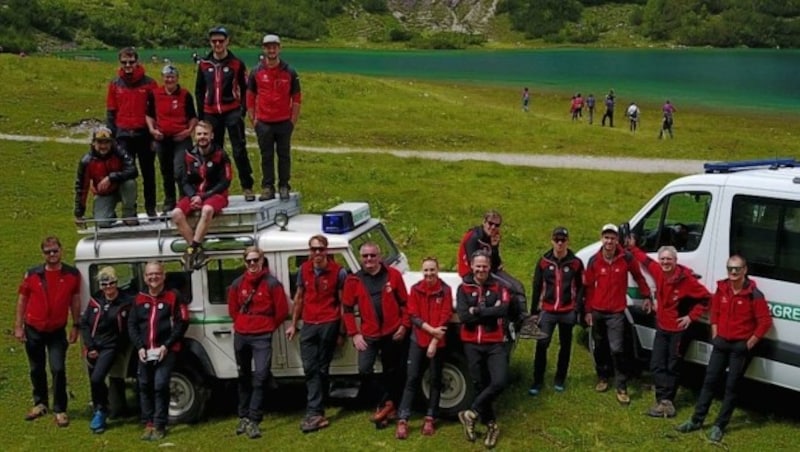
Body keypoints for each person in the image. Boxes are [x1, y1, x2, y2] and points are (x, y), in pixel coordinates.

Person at [676, 255, 773, 442]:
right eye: (730, 269)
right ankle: (696, 420)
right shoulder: (722, 289)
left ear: (745, 270)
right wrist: (715, 332)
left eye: (737, 269)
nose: (733, 272)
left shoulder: (754, 295)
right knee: (709, 382)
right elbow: (714, 312)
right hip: (721, 343)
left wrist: (750, 342)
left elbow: (764, 321)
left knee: (731, 387)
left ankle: (720, 425)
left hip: (739, 347)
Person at [627, 243, 711, 418]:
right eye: (663, 259)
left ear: (675, 260)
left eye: (669, 259)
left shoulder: (686, 280)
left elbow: (707, 298)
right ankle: (662, 399)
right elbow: (645, 261)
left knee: (672, 366)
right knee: (656, 364)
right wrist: (631, 248)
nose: (665, 262)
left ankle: (667, 402)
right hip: (662, 327)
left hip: (678, 331)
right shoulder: (658, 271)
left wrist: (691, 317)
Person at [15, 236, 82, 427]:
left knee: (57, 368)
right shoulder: (32, 274)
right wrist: (19, 327)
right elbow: (22, 301)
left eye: (55, 250)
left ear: (61, 250)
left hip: (56, 330)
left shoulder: (72, 275)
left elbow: (75, 300)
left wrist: (76, 325)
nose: (52, 255)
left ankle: (60, 409)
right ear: (43, 254)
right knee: (36, 368)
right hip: (33, 328)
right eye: (48, 252)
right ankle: (40, 403)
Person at [583, 224, 652, 405]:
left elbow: (639, 277)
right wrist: (588, 310)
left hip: (616, 312)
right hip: (598, 311)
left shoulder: (626, 258)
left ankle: (621, 386)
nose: (609, 241)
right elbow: (589, 287)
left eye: (613, 238)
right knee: (599, 346)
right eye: (606, 237)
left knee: (617, 349)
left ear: (617, 240)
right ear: (602, 238)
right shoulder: (593, 261)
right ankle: (603, 377)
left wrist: (646, 296)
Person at [342, 242, 409, 428]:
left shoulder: (393, 275)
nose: (369, 259)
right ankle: (385, 402)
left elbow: (405, 303)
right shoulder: (353, 281)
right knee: (364, 370)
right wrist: (354, 334)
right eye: (365, 256)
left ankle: (389, 406)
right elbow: (347, 309)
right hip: (369, 335)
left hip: (392, 333)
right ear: (360, 258)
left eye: (372, 255)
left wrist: (404, 326)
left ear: (379, 256)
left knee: (393, 371)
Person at [285, 235, 347, 433]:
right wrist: (294, 325)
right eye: (313, 249)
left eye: (320, 249)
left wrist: (342, 332)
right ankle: (316, 409)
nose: (317, 253)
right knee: (310, 368)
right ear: (309, 251)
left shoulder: (338, 272)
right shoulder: (304, 269)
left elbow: (343, 304)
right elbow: (299, 298)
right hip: (309, 323)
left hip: (329, 322)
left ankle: (315, 411)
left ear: (326, 250)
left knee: (321, 367)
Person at [227, 247, 289, 439]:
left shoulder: (272, 284)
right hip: (242, 334)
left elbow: (281, 311)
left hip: (262, 335)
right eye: (249, 261)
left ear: (262, 261)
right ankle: (243, 416)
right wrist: (240, 324)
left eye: (255, 260)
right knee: (243, 376)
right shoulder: (237, 284)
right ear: (244, 263)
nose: (252, 264)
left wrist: (268, 326)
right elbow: (233, 309)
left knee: (261, 376)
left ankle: (254, 419)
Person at [128, 261, 189, 441]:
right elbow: (132, 324)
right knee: (144, 386)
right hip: (145, 351)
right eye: (149, 275)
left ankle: (160, 424)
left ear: (163, 275)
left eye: (156, 274)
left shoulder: (173, 296)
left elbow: (182, 322)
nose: (153, 277)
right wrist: (139, 347)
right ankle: (148, 424)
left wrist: (167, 345)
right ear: (145, 278)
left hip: (166, 350)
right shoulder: (138, 298)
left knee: (160, 385)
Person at [395, 257, 453, 440]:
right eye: (426, 270)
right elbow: (413, 315)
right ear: (422, 271)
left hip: (438, 342)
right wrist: (431, 331)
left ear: (438, 270)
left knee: (436, 379)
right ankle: (403, 419)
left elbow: (446, 316)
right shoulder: (416, 289)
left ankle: (430, 417)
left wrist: (434, 342)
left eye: (432, 270)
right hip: (418, 338)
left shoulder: (445, 290)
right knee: (412, 378)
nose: (429, 274)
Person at [456, 250, 509, 449]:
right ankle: (491, 425)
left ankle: (471, 413)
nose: (481, 270)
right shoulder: (463, 288)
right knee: (480, 384)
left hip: (494, 342)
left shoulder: (500, 286)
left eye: (485, 266)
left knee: (499, 381)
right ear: (471, 266)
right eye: (478, 266)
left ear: (489, 267)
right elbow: (464, 317)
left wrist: (477, 310)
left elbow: (503, 309)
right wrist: (489, 311)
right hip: (471, 343)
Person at [195, 26, 254, 201]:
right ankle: (214, 188)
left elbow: (245, 88)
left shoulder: (237, 63)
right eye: (214, 41)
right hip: (211, 113)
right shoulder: (204, 64)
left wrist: (242, 110)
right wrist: (201, 117)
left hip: (231, 111)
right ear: (210, 43)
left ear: (227, 41)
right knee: (214, 151)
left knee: (239, 150)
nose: (218, 44)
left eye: (221, 41)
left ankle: (247, 186)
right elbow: (199, 90)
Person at [528, 227, 584, 396]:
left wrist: (577, 309)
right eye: (557, 240)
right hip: (548, 310)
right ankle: (537, 380)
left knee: (565, 345)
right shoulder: (544, 261)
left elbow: (582, 287)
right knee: (542, 344)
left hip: (567, 310)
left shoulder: (575, 262)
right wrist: (534, 312)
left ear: (568, 241)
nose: (560, 243)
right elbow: (537, 286)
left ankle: (560, 379)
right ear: (552, 240)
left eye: (563, 240)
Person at [247, 33, 302, 201]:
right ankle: (267, 187)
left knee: (284, 155)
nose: (271, 49)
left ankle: (284, 185)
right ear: (264, 49)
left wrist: (292, 121)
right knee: (266, 156)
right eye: (268, 46)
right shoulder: (256, 71)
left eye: (274, 46)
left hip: (284, 122)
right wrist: (254, 120)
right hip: (264, 122)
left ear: (279, 48)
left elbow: (297, 98)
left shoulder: (290, 72)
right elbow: (250, 96)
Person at [170, 121, 232, 271]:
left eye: (205, 134)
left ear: (211, 136)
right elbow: (183, 181)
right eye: (199, 134)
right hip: (194, 195)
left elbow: (226, 181)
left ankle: (192, 249)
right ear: (194, 136)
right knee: (176, 214)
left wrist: (203, 197)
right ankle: (197, 250)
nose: (202, 137)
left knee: (207, 210)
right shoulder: (188, 155)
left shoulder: (221, 155)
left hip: (215, 195)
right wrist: (192, 196)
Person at [106, 47, 158, 218]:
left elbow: (155, 112)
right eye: (124, 62)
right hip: (123, 136)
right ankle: (130, 211)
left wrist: (154, 135)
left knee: (148, 173)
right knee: (127, 175)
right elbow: (111, 112)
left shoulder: (150, 84)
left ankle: (151, 208)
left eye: (131, 62)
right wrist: (111, 138)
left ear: (137, 62)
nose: (128, 65)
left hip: (144, 134)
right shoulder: (115, 84)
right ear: (120, 63)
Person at [80, 266, 133, 434]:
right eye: (104, 285)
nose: (108, 288)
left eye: (111, 284)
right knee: (94, 379)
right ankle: (100, 407)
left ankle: (101, 410)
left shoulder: (125, 302)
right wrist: (90, 346)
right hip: (94, 345)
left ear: (117, 283)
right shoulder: (96, 300)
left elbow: (129, 325)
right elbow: (85, 324)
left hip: (111, 346)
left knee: (97, 378)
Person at [146, 64, 198, 213]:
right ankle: (170, 199)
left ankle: (184, 197)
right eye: (167, 77)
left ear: (177, 78)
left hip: (180, 138)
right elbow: (149, 115)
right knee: (165, 170)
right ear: (162, 78)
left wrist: (188, 131)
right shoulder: (155, 94)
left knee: (179, 169)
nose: (169, 80)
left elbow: (193, 116)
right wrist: (152, 130)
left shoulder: (185, 94)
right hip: (162, 139)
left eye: (172, 77)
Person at [74, 126, 139, 228]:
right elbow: (81, 188)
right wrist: (79, 214)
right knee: (102, 223)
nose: (103, 146)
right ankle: (110, 214)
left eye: (106, 142)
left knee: (130, 183)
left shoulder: (120, 153)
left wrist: (111, 177)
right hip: (104, 193)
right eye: (100, 142)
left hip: (122, 188)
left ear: (112, 143)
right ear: (93, 143)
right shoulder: (86, 161)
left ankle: (129, 214)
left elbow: (133, 171)